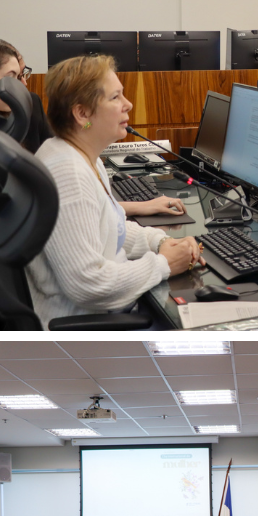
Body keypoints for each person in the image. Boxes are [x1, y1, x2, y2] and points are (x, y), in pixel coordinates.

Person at [25, 54, 203, 328]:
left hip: (108, 309)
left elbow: (110, 227)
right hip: (89, 323)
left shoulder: (81, 154)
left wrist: (160, 242)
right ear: (82, 113)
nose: (128, 104)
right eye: (115, 97)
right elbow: (88, 284)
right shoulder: (69, 175)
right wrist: (163, 263)